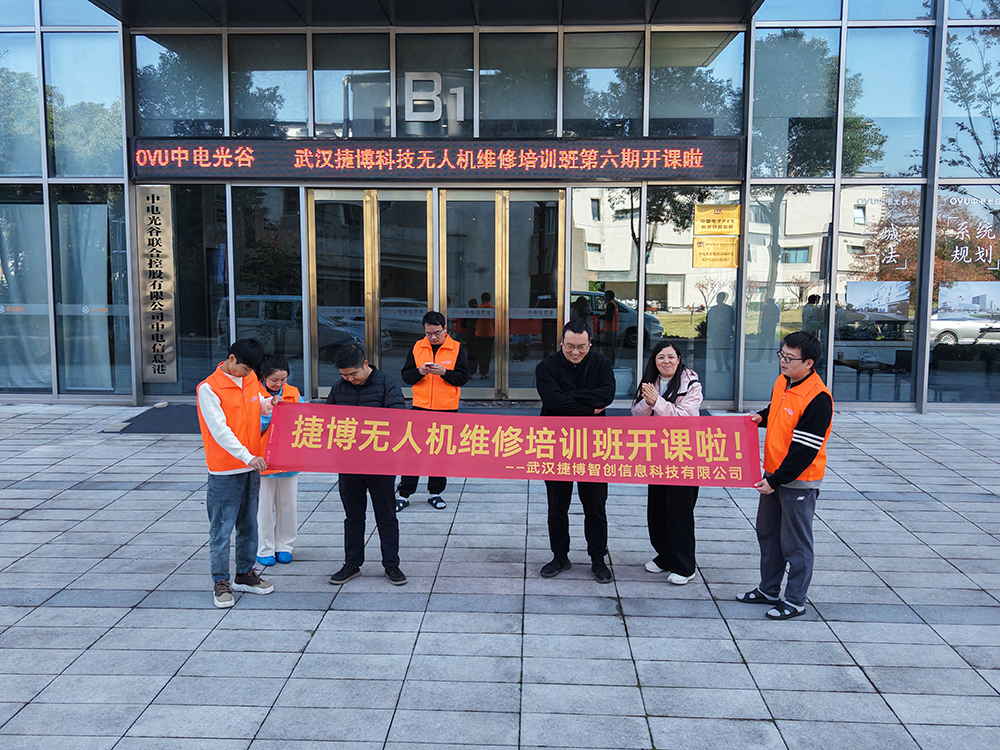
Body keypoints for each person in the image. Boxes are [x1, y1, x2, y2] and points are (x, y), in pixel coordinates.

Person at [737, 331, 833, 620]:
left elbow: (804, 451)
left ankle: (795, 600)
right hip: (773, 473)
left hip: (797, 481)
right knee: (768, 534)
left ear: (809, 363)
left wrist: (775, 480)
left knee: (795, 542)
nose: (783, 361)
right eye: (782, 354)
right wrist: (762, 417)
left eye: (790, 358)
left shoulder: (818, 398)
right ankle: (768, 589)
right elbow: (779, 411)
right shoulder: (784, 381)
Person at [535, 319, 616, 583]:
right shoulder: (546, 367)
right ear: (562, 342)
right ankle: (560, 556)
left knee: (595, 506)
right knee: (557, 506)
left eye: (581, 347)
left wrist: (569, 398)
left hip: (593, 446)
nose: (575, 352)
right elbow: (552, 401)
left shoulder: (601, 364)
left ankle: (598, 559)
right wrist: (590, 406)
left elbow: (606, 396)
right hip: (556, 444)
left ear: (590, 343)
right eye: (569, 346)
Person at [196, 338, 275, 609]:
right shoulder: (209, 388)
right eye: (244, 369)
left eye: (251, 371)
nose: (247, 374)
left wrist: (270, 404)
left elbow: (258, 404)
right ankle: (220, 581)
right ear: (231, 359)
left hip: (252, 466)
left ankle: (244, 574)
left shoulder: (250, 378)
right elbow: (220, 431)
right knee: (221, 528)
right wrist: (247, 456)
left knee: (249, 524)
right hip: (225, 469)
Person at [326, 344, 408, 586]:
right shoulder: (339, 388)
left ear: (365, 364)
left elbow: (398, 421)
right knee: (353, 516)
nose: (350, 379)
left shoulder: (386, 384)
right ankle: (352, 564)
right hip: (349, 464)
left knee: (386, 516)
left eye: (353, 374)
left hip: (380, 464)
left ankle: (391, 565)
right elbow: (326, 420)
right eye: (344, 375)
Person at [631, 341, 703, 585]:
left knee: (679, 511)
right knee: (657, 509)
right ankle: (665, 556)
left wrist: (657, 403)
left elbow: (685, 418)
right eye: (661, 357)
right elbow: (636, 414)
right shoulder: (651, 382)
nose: (666, 361)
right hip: (657, 453)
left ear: (679, 359)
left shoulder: (691, 383)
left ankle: (685, 566)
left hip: (685, 455)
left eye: (671, 357)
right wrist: (648, 401)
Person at [397, 311, 471, 511]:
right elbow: (406, 376)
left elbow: (463, 377)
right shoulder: (417, 347)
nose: (432, 337)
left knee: (439, 452)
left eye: (437, 332)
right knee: (413, 451)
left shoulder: (457, 348)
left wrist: (445, 373)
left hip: (446, 408)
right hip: (420, 407)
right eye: (428, 333)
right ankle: (404, 493)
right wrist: (419, 372)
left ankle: (435, 492)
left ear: (445, 329)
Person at [256, 353, 303, 567]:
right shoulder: (254, 394)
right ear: (263, 376)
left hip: (288, 458)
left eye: (283, 379)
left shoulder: (293, 393)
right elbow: (251, 426)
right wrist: (269, 411)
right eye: (274, 380)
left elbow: (304, 420)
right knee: (263, 509)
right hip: (262, 459)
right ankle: (265, 548)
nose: (279, 384)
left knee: (288, 506)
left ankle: (285, 546)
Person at [707, 291, 735, 372]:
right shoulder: (714, 309)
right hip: (717, 333)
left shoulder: (729, 310)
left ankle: (726, 363)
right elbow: (709, 321)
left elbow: (733, 321)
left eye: (720, 298)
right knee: (717, 350)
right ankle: (719, 366)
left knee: (725, 350)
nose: (718, 299)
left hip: (725, 333)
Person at [474, 291, 496, 379]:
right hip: (489, 334)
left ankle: (479, 368)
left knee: (479, 353)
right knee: (487, 354)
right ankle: (484, 371)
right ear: (489, 299)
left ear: (481, 299)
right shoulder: (493, 309)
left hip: (479, 333)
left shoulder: (478, 309)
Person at [754, 297, 781, 362]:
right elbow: (763, 318)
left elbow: (777, 319)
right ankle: (758, 357)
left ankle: (769, 359)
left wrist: (770, 322)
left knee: (770, 344)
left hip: (770, 328)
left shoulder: (774, 309)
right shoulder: (767, 308)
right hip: (765, 328)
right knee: (762, 343)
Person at [601, 290, 619, 366]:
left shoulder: (610, 304)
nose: (604, 298)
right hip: (610, 328)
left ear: (608, 297)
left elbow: (609, 317)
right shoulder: (612, 304)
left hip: (610, 329)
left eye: (605, 296)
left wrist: (601, 317)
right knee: (609, 347)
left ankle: (609, 363)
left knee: (608, 347)